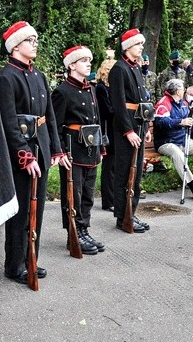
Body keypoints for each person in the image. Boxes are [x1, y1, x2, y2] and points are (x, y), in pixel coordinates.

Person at [0, 21, 67, 284]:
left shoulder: (38, 76)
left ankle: (31, 258)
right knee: (22, 209)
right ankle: (15, 265)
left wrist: (56, 150)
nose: (34, 44)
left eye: (36, 40)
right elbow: (8, 122)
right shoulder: (6, 77)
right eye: (30, 41)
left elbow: (49, 116)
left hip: (42, 146)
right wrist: (24, 155)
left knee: (37, 209)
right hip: (22, 153)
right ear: (15, 45)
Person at [52, 46, 105, 255]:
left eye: (89, 60)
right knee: (73, 194)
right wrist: (60, 152)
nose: (88, 63)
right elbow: (55, 125)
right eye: (83, 60)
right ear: (72, 65)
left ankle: (83, 229)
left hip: (91, 149)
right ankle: (73, 234)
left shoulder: (91, 89)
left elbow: (97, 120)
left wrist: (101, 146)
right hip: (73, 151)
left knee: (88, 194)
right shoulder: (62, 91)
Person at [109, 28, 152, 233]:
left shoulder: (135, 68)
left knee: (136, 174)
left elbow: (142, 101)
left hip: (139, 126)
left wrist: (145, 126)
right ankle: (122, 215)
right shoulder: (119, 69)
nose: (141, 47)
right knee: (125, 172)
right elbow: (118, 104)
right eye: (138, 44)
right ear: (128, 47)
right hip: (127, 128)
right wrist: (128, 131)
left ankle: (131, 211)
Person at [95, 58, 117, 211]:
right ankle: (108, 201)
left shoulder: (110, 88)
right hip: (107, 131)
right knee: (109, 167)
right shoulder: (101, 88)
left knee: (115, 166)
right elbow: (107, 111)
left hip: (114, 130)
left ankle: (115, 196)